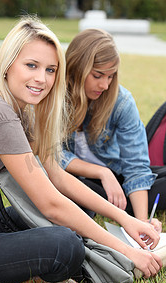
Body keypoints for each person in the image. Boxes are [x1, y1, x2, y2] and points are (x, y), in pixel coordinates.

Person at [0, 16, 162, 283]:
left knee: (80, 209)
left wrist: (126, 219)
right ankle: (122, 261)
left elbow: (56, 176)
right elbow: (50, 204)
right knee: (64, 245)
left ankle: (35, 271)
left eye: (50, 69)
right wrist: (127, 250)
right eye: (31, 65)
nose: (41, 79)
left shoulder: (19, 108)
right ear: (8, 64)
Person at [62, 28, 165, 230]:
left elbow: (135, 165)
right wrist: (101, 172)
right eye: (98, 75)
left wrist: (141, 222)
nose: (105, 85)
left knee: (154, 180)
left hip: (116, 178)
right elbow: (50, 156)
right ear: (77, 68)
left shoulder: (121, 101)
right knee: (67, 188)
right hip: (74, 179)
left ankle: (128, 210)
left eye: (110, 76)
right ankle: (117, 207)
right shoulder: (55, 98)